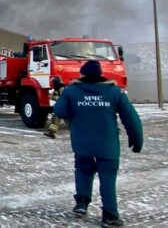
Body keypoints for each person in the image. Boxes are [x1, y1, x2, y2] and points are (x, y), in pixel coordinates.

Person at [53, 60, 143, 227]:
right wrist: (137, 139)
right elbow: (131, 118)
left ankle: (81, 203)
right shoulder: (115, 92)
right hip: (107, 144)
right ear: (100, 74)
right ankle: (110, 216)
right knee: (108, 177)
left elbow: (59, 110)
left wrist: (65, 97)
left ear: (83, 74)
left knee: (82, 170)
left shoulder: (72, 91)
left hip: (82, 143)